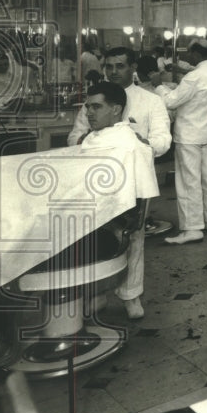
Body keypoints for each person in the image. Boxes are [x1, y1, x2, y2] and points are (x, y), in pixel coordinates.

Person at [68, 50, 170, 317]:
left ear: (132, 67)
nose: (113, 71)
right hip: (94, 180)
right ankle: (99, 292)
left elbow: (163, 140)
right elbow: (74, 135)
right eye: (108, 67)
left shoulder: (151, 101)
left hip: (134, 179)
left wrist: (136, 144)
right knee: (96, 236)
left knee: (133, 237)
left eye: (120, 66)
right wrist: (93, 139)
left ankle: (131, 295)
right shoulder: (94, 100)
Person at [156, 38, 207, 244]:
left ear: (196, 54)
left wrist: (159, 86)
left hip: (189, 135)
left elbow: (170, 101)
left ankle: (192, 228)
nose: (187, 57)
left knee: (189, 181)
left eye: (189, 53)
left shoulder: (193, 77)